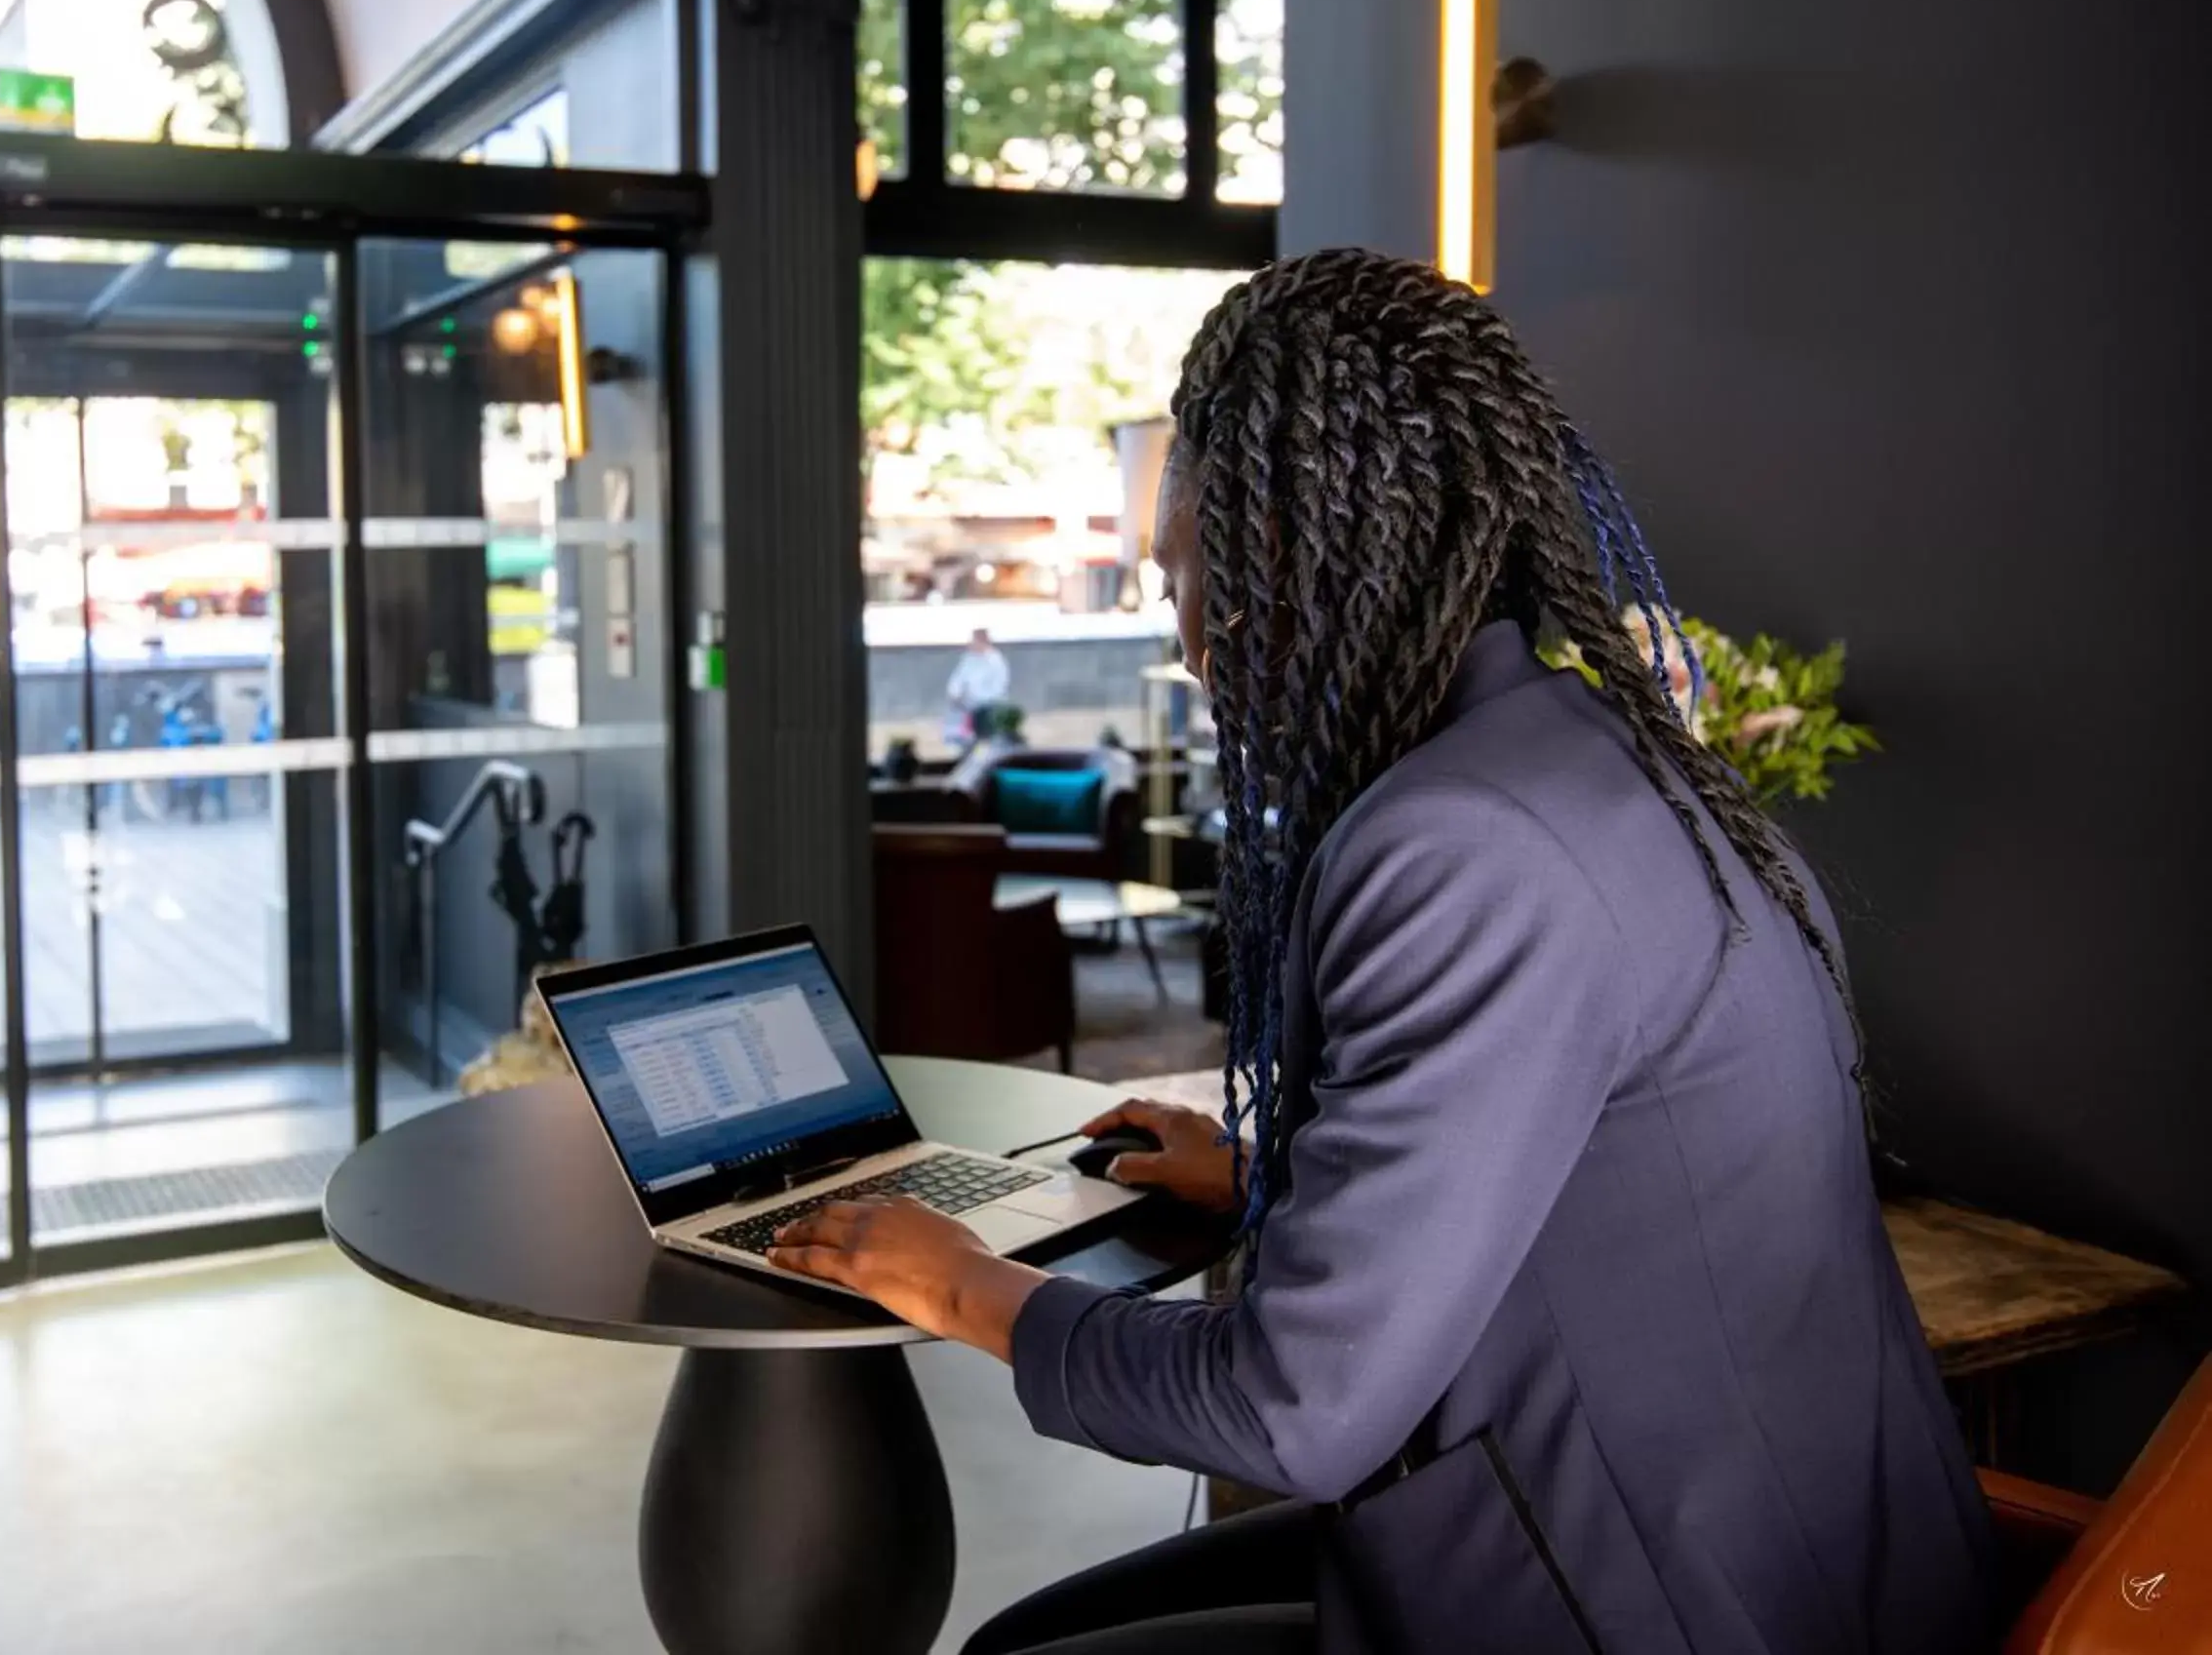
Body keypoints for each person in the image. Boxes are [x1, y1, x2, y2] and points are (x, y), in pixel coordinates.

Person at [770, 250, 1993, 1653]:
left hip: (1649, 1602)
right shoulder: (1628, 768)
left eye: (1188, 581)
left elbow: (1291, 1410)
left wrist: (969, 1287)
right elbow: (1564, 1177)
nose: (1184, 648)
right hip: (1788, 1564)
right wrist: (1269, 1181)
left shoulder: (1461, 850)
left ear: (1283, 568)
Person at [944, 626, 1011, 748]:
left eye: (975, 641)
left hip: (988, 707)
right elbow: (958, 678)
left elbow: (998, 689)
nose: (971, 645)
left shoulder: (995, 661)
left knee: (985, 737)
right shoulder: (969, 659)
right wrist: (955, 693)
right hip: (967, 706)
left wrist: (975, 699)